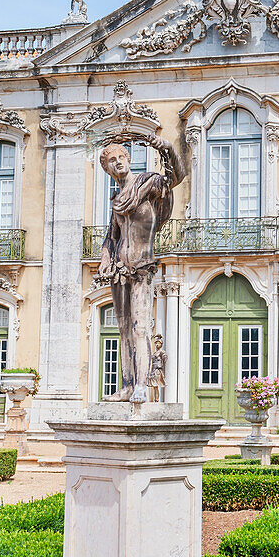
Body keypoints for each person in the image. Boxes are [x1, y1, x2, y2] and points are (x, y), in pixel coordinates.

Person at [96, 132, 189, 403]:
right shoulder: (116, 198)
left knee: (140, 327)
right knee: (123, 328)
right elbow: (112, 235)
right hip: (119, 267)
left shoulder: (147, 184)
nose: (117, 163)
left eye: (120, 157)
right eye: (111, 161)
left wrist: (167, 148)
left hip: (141, 265)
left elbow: (175, 178)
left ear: (128, 158)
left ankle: (140, 385)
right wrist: (105, 257)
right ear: (107, 169)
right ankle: (126, 385)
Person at [148, 334, 166, 403]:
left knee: (156, 386)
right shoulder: (155, 352)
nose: (157, 345)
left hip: (157, 371)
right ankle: (156, 400)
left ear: (161, 344)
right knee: (154, 386)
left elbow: (164, 360)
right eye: (156, 343)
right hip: (153, 371)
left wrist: (159, 365)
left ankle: (157, 400)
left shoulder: (162, 352)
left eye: (158, 343)